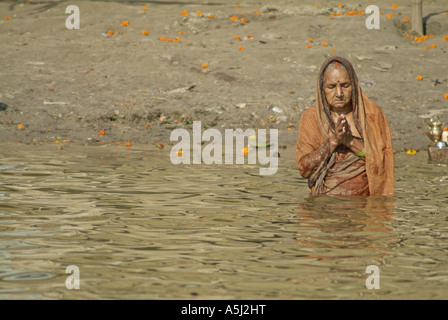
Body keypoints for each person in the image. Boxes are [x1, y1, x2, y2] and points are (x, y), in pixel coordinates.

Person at [296, 56, 394, 196]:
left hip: (364, 208)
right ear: (322, 89)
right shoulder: (311, 118)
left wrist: (351, 142)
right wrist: (333, 142)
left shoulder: (370, 115)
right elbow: (304, 169)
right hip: (323, 207)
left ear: (354, 85)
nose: (339, 93)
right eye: (331, 87)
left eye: (345, 85)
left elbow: (384, 164)